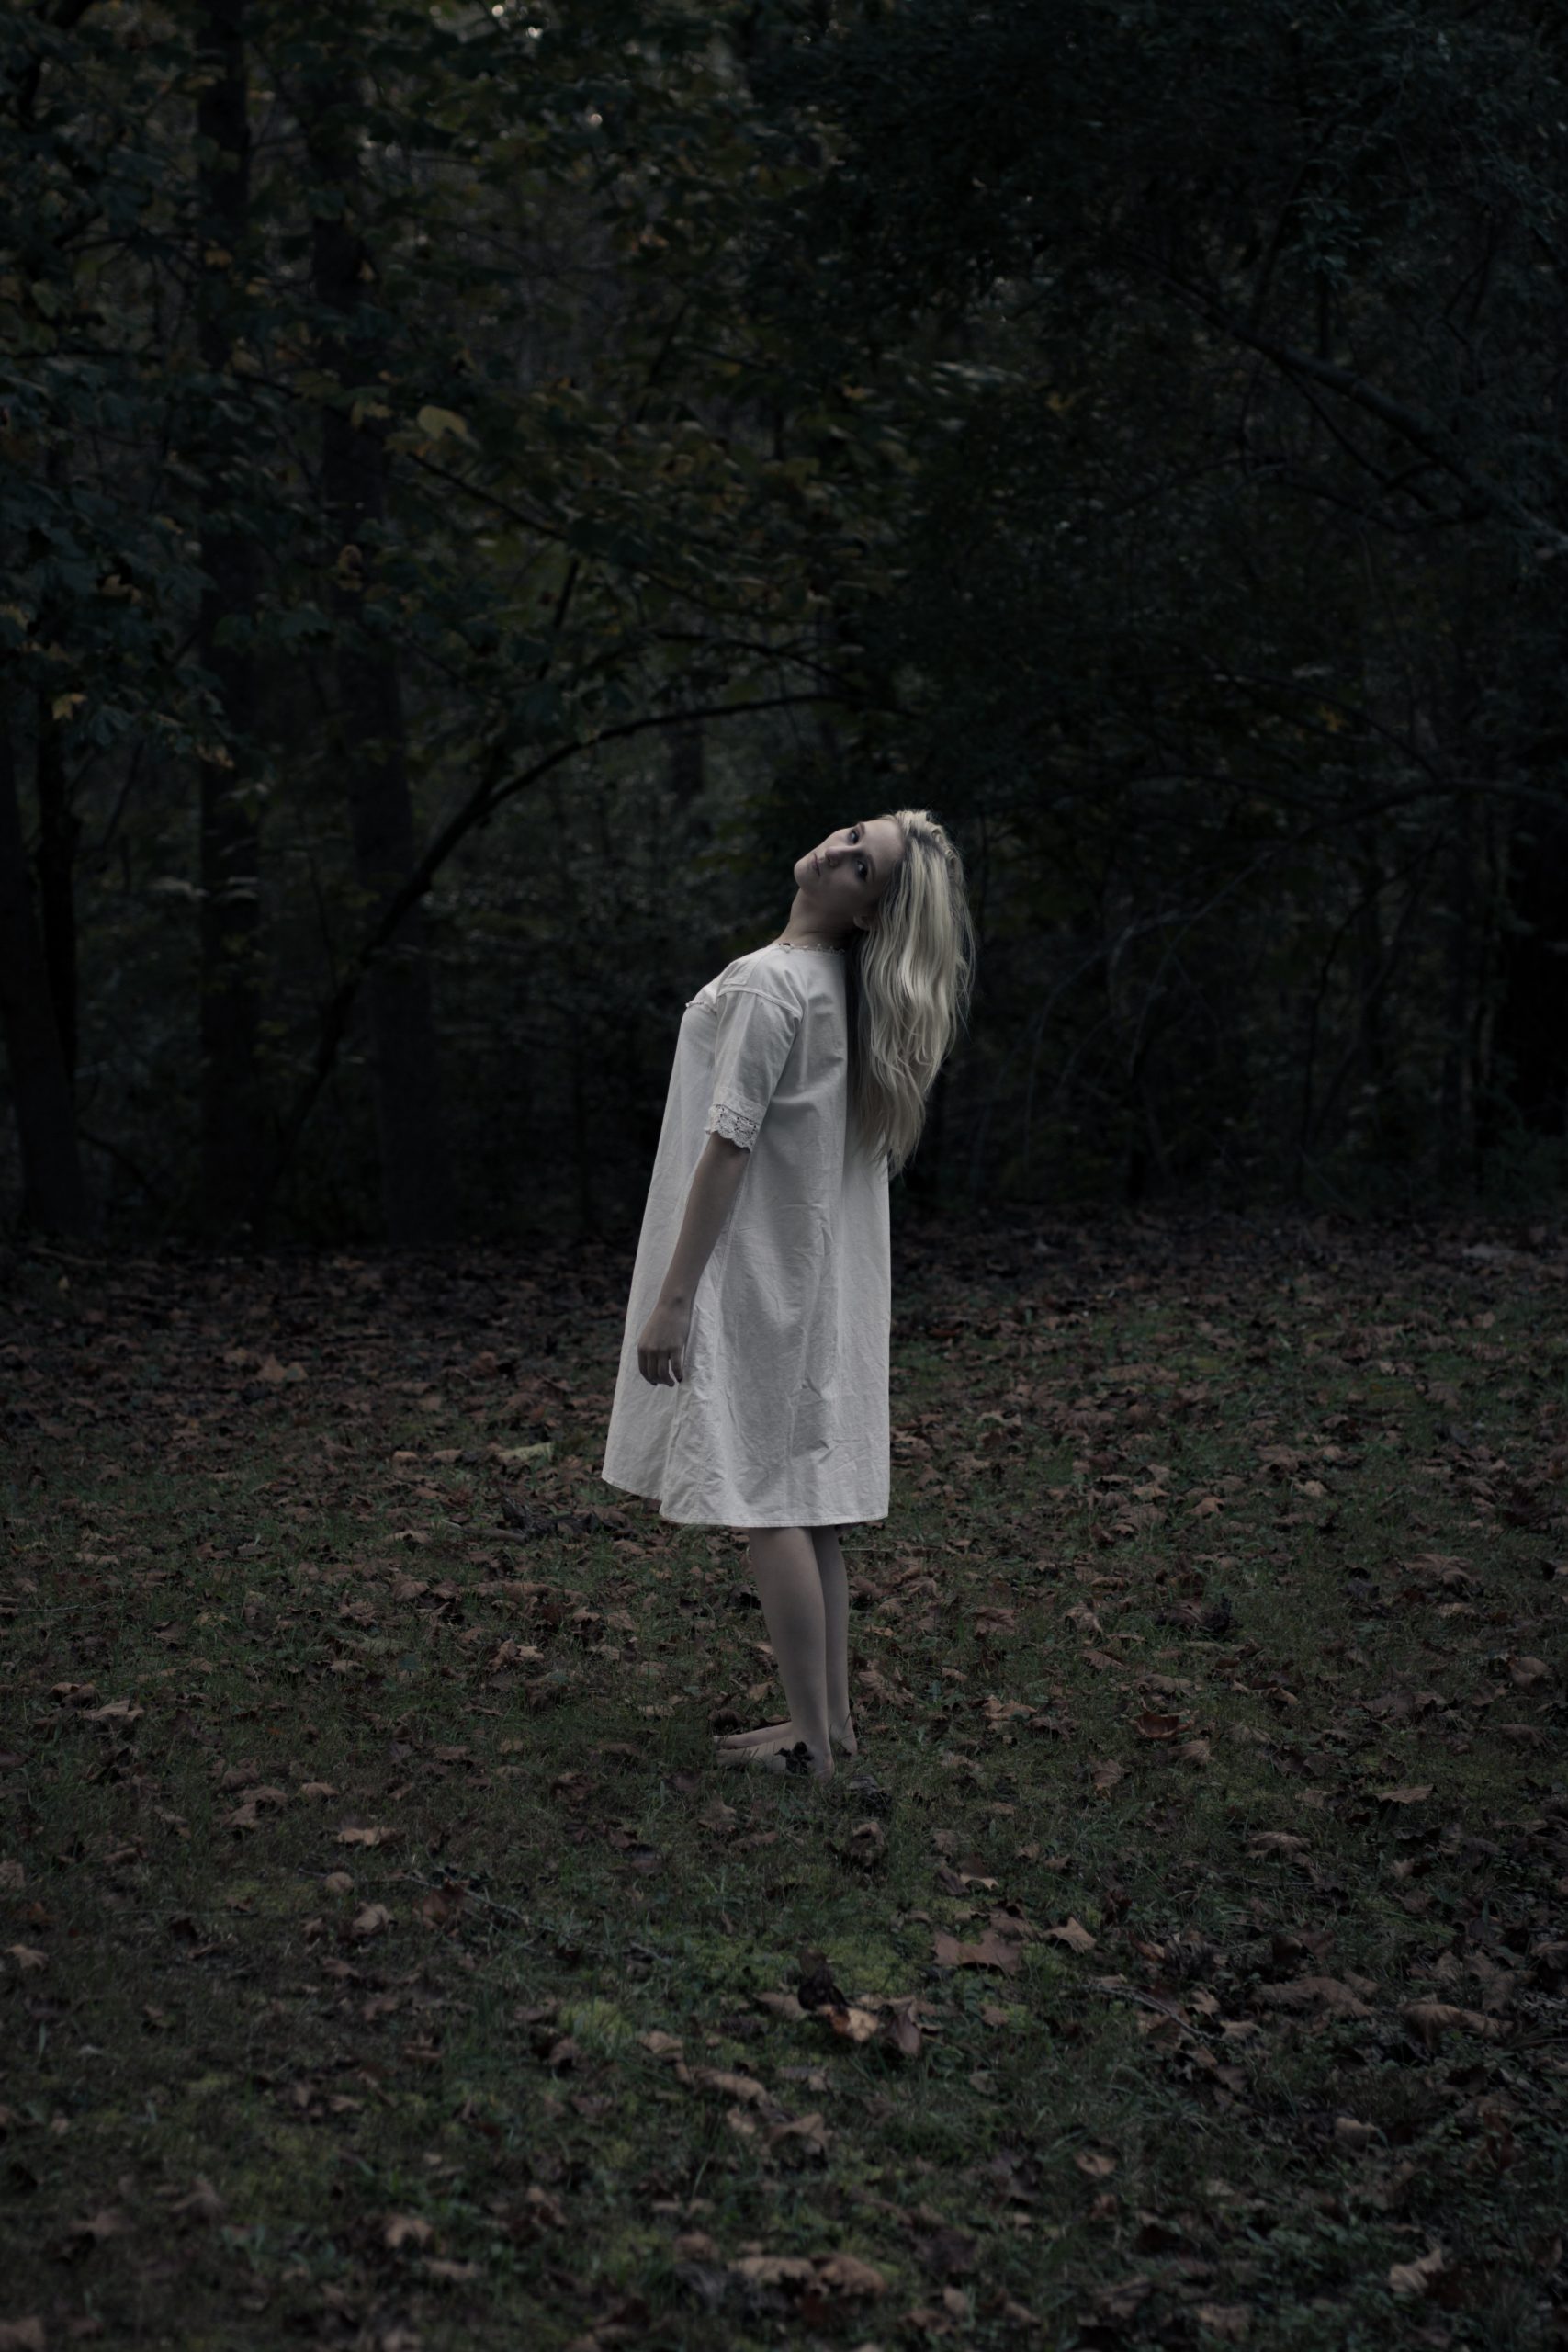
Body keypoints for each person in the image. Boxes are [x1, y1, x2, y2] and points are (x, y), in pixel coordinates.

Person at [601, 809, 975, 1779]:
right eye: (854, 835)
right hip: (804, 1276)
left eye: (864, 867)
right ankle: (829, 1724)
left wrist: (675, 1298)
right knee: (807, 1506)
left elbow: (728, 1144)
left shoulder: (774, 982)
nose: (840, 851)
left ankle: (812, 1743)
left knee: (767, 1501)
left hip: (753, 1272)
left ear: (868, 913)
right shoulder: (840, 992)